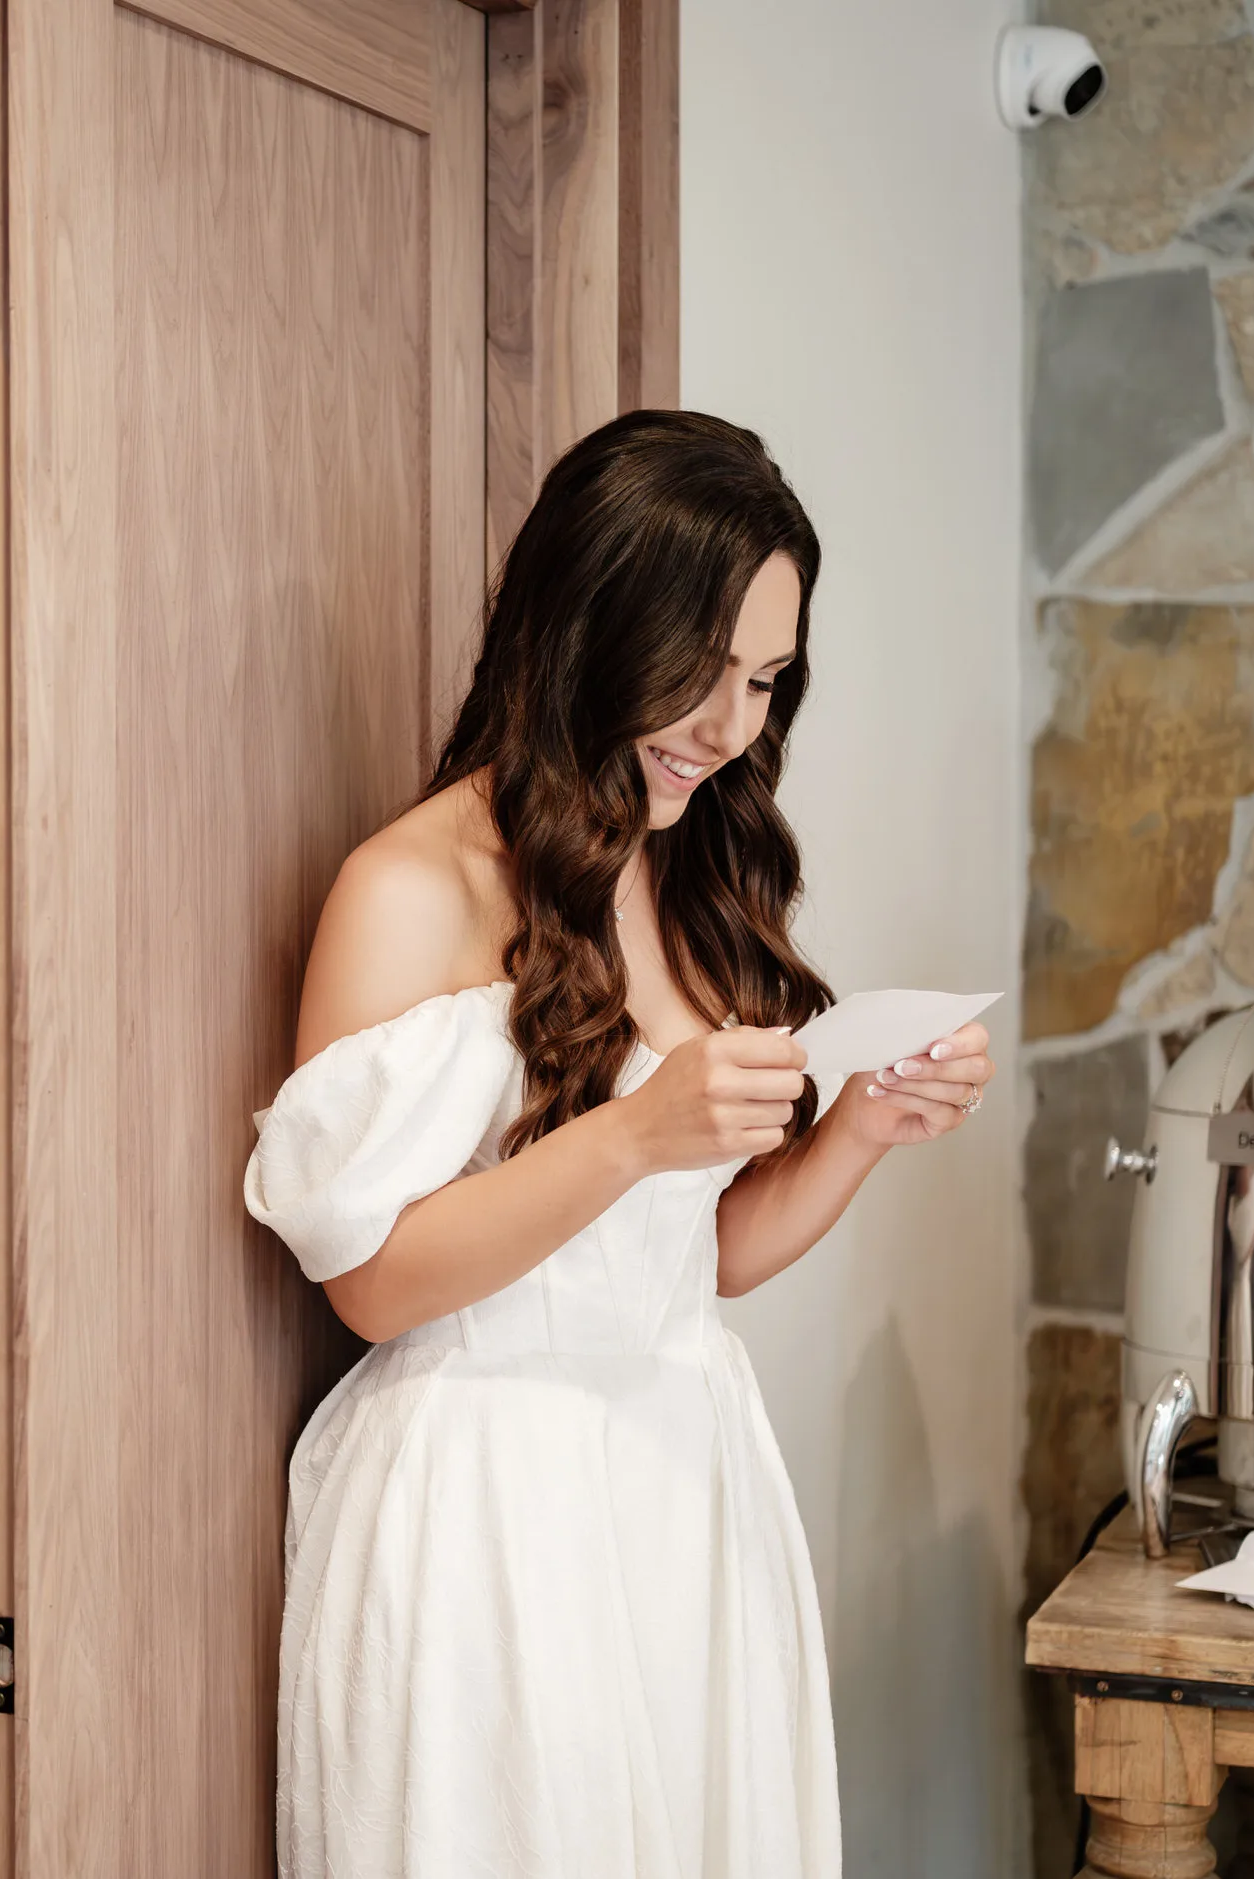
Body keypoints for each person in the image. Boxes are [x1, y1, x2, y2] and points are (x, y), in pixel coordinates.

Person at [244, 409, 989, 1878]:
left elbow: (688, 1261)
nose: (727, 727)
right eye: (696, 674)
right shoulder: (412, 885)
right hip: (487, 1504)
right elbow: (370, 1286)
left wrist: (856, 1132)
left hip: (683, 1476)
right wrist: (636, 1134)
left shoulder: (689, 874)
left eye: (764, 682)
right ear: (583, 625)